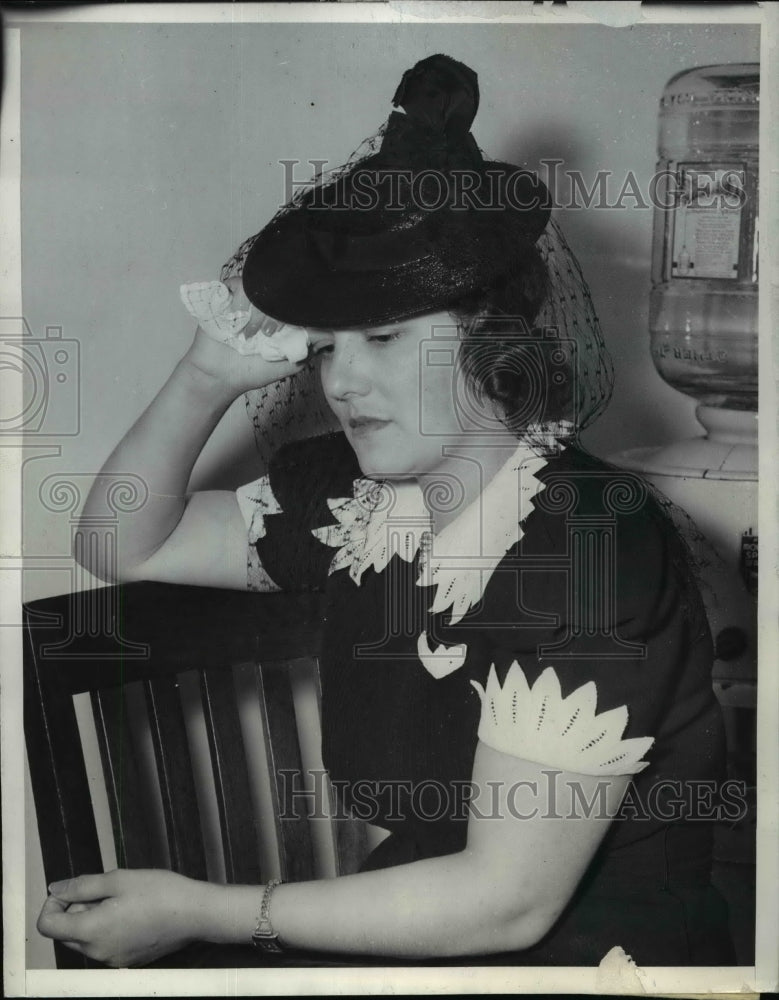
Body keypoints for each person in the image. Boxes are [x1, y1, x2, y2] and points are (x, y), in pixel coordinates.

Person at [36, 54, 735, 968]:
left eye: (382, 337)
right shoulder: (359, 501)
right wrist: (203, 376)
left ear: (492, 341)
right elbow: (120, 544)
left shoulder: (589, 541)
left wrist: (207, 911)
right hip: (418, 929)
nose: (342, 383)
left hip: (588, 962)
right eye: (326, 348)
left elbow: (504, 905)